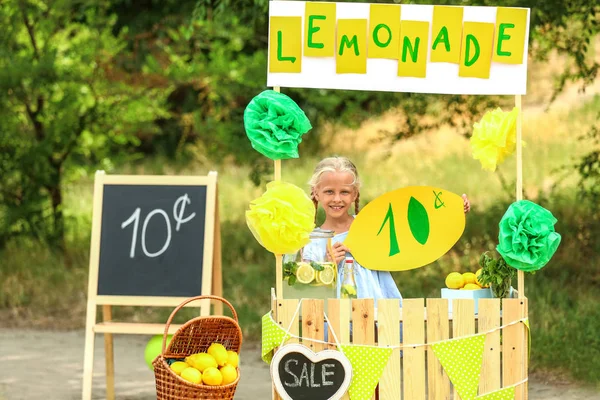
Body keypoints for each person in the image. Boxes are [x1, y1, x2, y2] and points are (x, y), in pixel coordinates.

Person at [302, 156, 471, 304]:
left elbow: (415, 228)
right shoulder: (312, 241)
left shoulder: (373, 225)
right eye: (329, 192)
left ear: (354, 194)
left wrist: (454, 209)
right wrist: (327, 264)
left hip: (378, 313)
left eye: (344, 192)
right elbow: (305, 290)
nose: (337, 199)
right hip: (335, 322)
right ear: (316, 193)